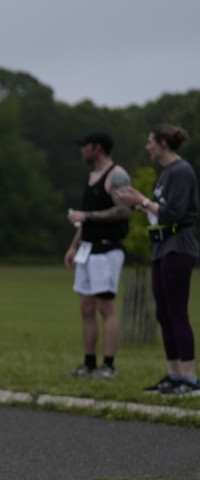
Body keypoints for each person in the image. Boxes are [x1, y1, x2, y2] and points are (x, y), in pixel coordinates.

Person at [116, 124, 200, 395]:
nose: (147, 147)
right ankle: (174, 375)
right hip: (162, 247)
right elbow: (159, 211)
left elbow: (173, 213)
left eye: (150, 141)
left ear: (163, 144)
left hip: (179, 247)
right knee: (164, 313)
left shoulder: (181, 171)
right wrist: (139, 205)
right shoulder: (166, 173)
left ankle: (190, 379)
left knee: (177, 312)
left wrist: (143, 200)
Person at [64, 131, 132, 379]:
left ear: (97, 148)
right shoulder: (90, 177)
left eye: (85, 146)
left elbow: (124, 210)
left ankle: (109, 365)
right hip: (88, 248)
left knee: (106, 307)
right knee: (86, 307)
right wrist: (74, 246)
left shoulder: (116, 175)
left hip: (107, 249)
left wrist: (88, 216)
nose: (81, 151)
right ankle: (89, 363)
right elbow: (85, 219)